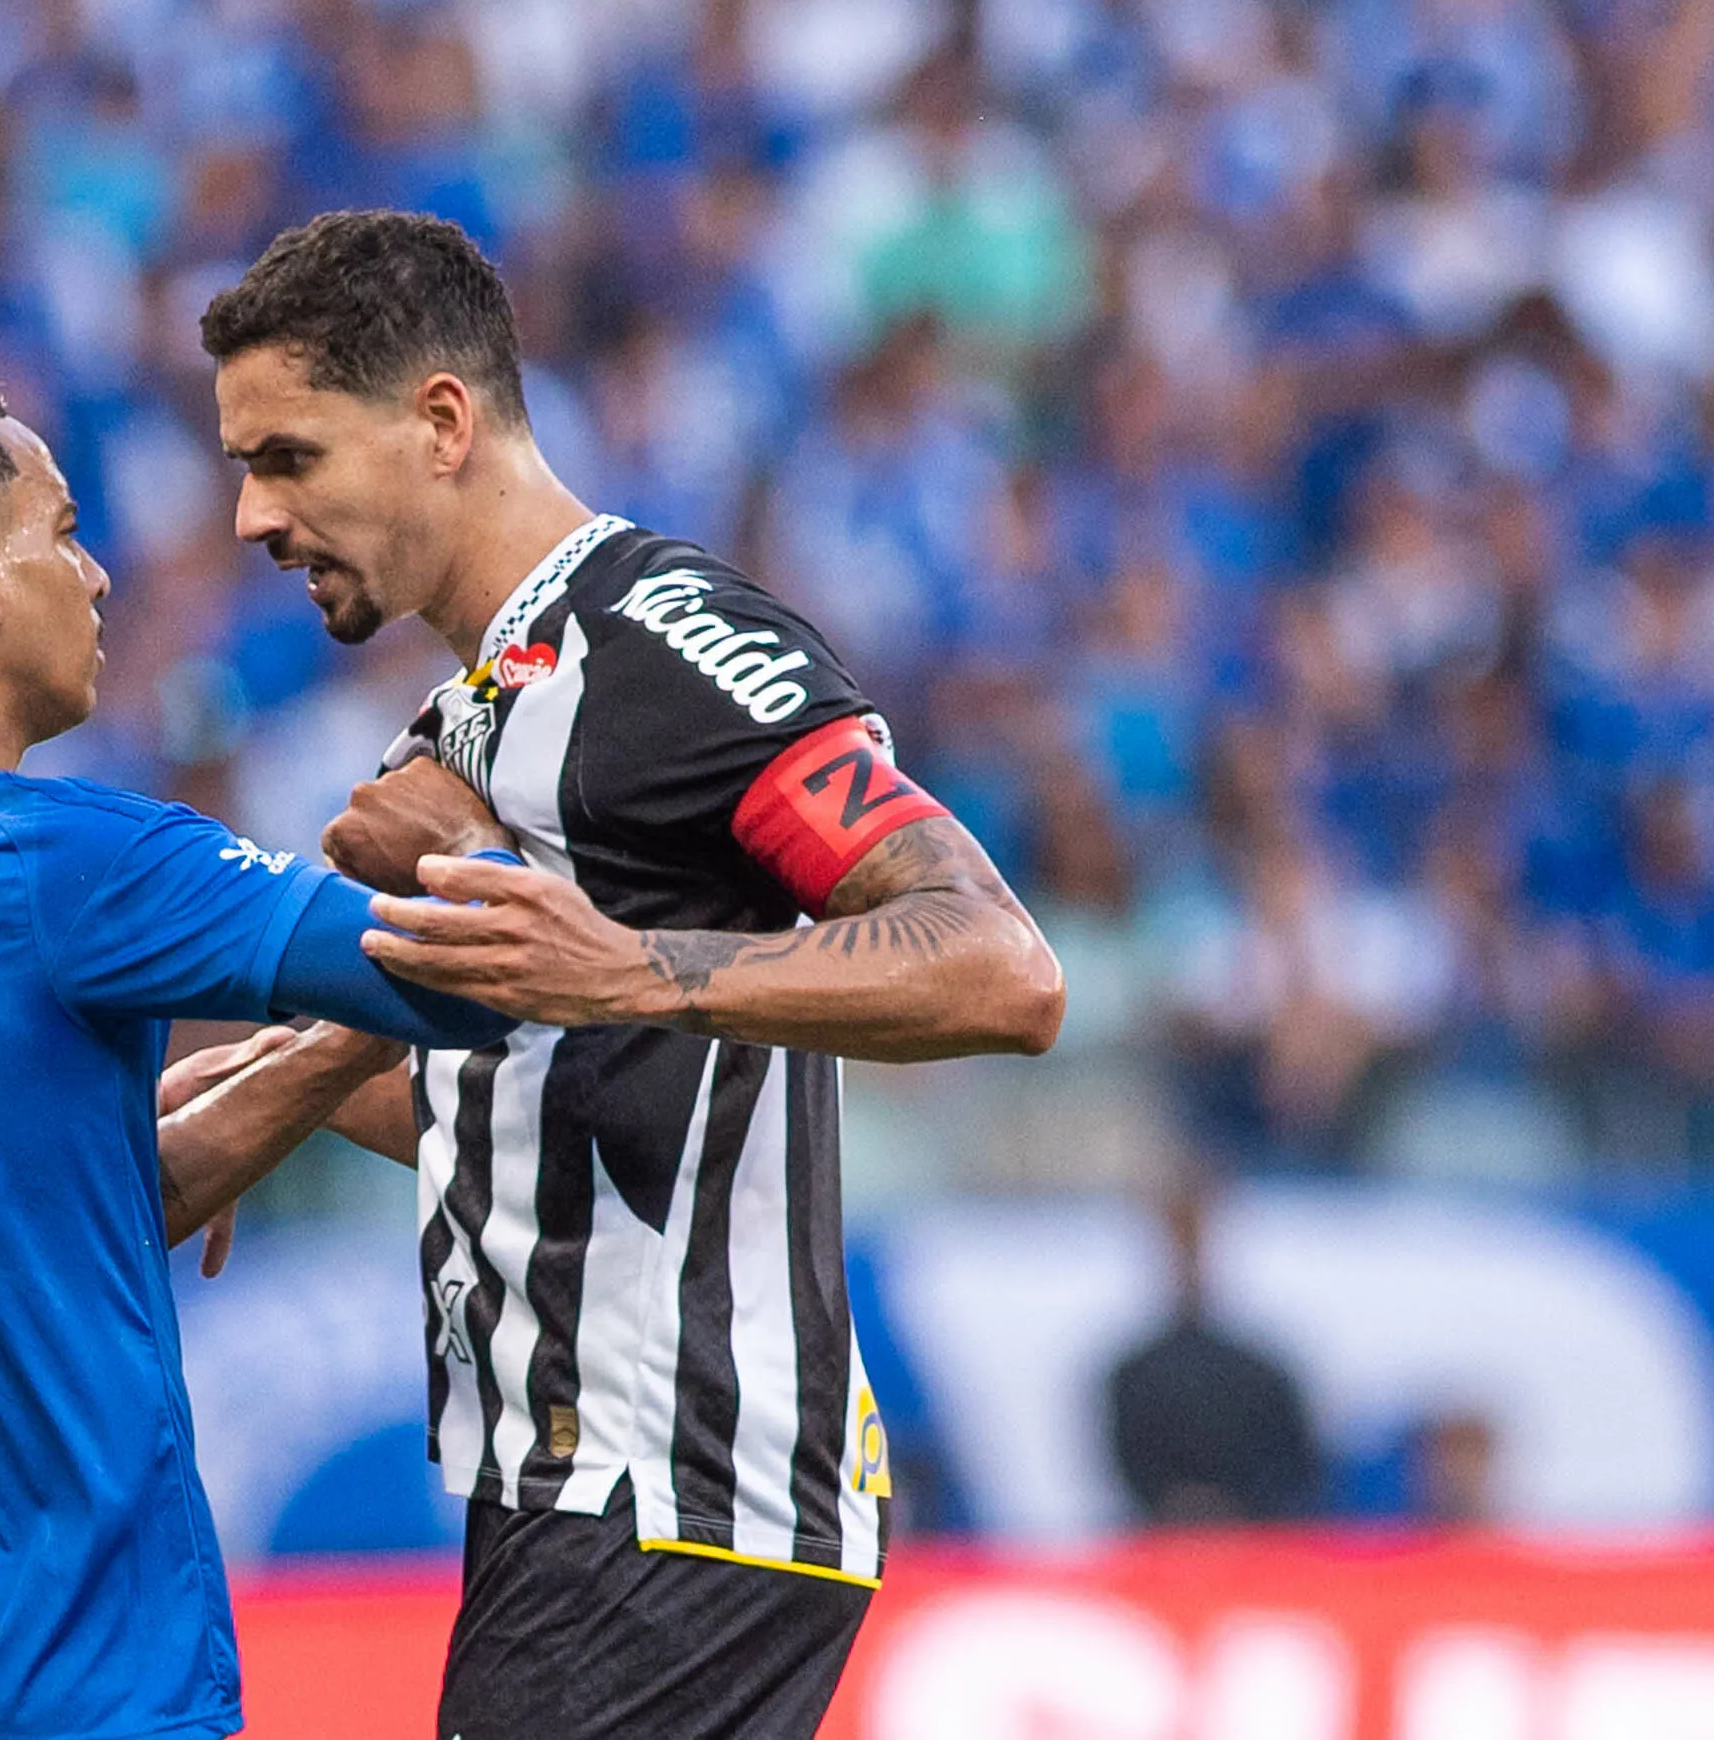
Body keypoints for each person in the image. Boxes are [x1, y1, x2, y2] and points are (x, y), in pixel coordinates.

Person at [196, 211, 1066, 1740]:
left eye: (291, 457)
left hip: (666, 1488)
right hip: (577, 1490)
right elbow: (551, 1088)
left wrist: (632, 969)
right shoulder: (469, 711)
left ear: (442, 421)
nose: (253, 516)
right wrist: (290, 1094)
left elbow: (999, 965)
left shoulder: (669, 644)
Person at [0, 363, 514, 1739]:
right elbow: (491, 981)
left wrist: (278, 1075)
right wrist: (455, 838)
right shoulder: (48, 858)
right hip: (58, 1675)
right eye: (60, 530)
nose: (99, 574)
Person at [1102, 1181, 1323, 1527]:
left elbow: (1294, 1467)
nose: (1187, 1254)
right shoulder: (1130, 1376)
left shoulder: (1262, 1372)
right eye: (1177, 1239)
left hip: (1255, 1545)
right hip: (1161, 1546)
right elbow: (1126, 1466)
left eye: (1195, 1238)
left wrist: (1236, 1511)